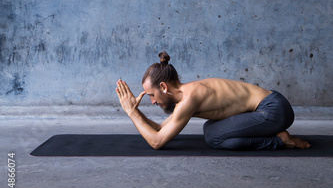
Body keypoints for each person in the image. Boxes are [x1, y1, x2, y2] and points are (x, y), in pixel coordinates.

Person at [116, 51, 311, 151]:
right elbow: (159, 128)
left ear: (164, 88)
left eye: (151, 95)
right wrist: (135, 110)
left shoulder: (190, 98)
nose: (152, 101)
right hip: (270, 107)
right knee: (211, 130)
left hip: (273, 110)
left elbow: (157, 142)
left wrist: (131, 112)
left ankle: (280, 141)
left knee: (213, 136)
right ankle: (278, 138)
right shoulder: (186, 94)